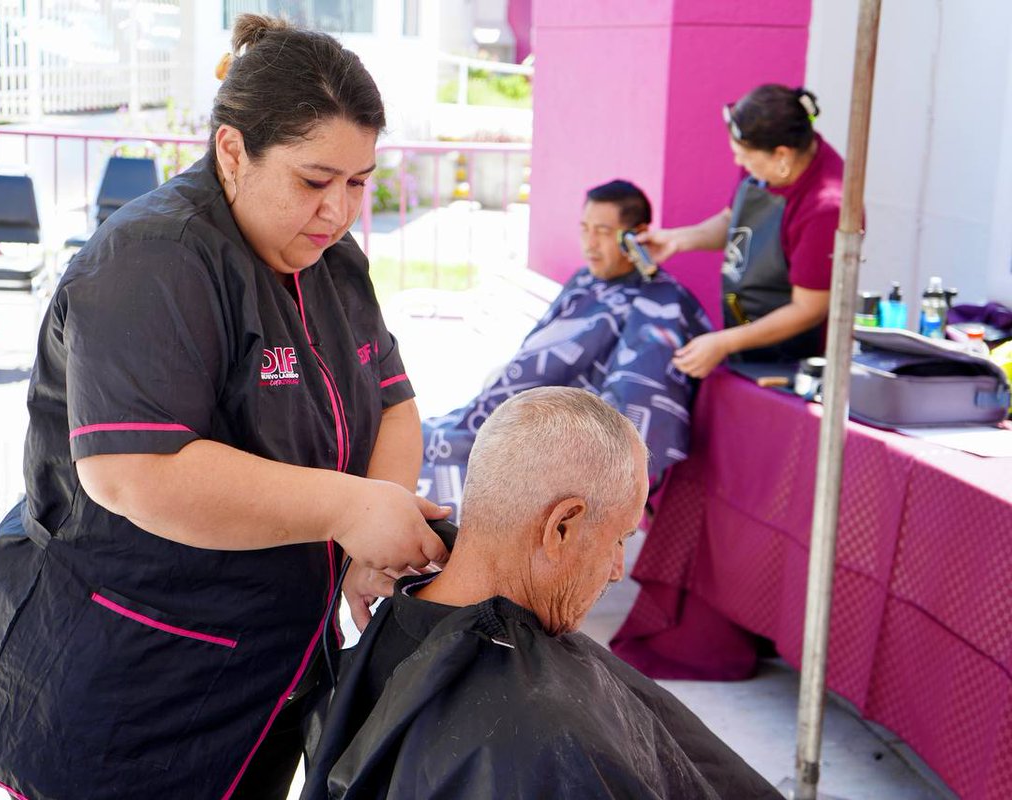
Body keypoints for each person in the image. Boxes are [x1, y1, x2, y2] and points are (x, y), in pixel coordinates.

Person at [0, 15, 450, 800]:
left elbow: (391, 403)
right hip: (129, 679)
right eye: (314, 181)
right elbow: (136, 473)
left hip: (267, 672)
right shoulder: (153, 259)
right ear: (231, 151)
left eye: (359, 182)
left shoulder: (334, 262)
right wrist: (347, 505)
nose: (339, 211)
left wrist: (369, 537)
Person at [302, 387, 782, 799]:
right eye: (620, 539)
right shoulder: (544, 734)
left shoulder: (387, 629)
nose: (618, 571)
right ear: (561, 527)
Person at [418, 180, 711, 514]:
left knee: (453, 473)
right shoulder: (585, 280)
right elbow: (540, 348)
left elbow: (636, 396)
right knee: (419, 446)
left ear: (638, 234)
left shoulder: (662, 302)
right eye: (585, 228)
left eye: (603, 231)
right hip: (515, 412)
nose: (590, 242)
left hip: (562, 440)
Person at [638, 84, 845, 377]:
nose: (739, 163)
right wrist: (676, 240)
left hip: (794, 359)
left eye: (744, 157)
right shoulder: (766, 156)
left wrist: (724, 343)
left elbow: (808, 309)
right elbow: (731, 223)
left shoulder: (826, 208)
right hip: (745, 337)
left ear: (781, 155)